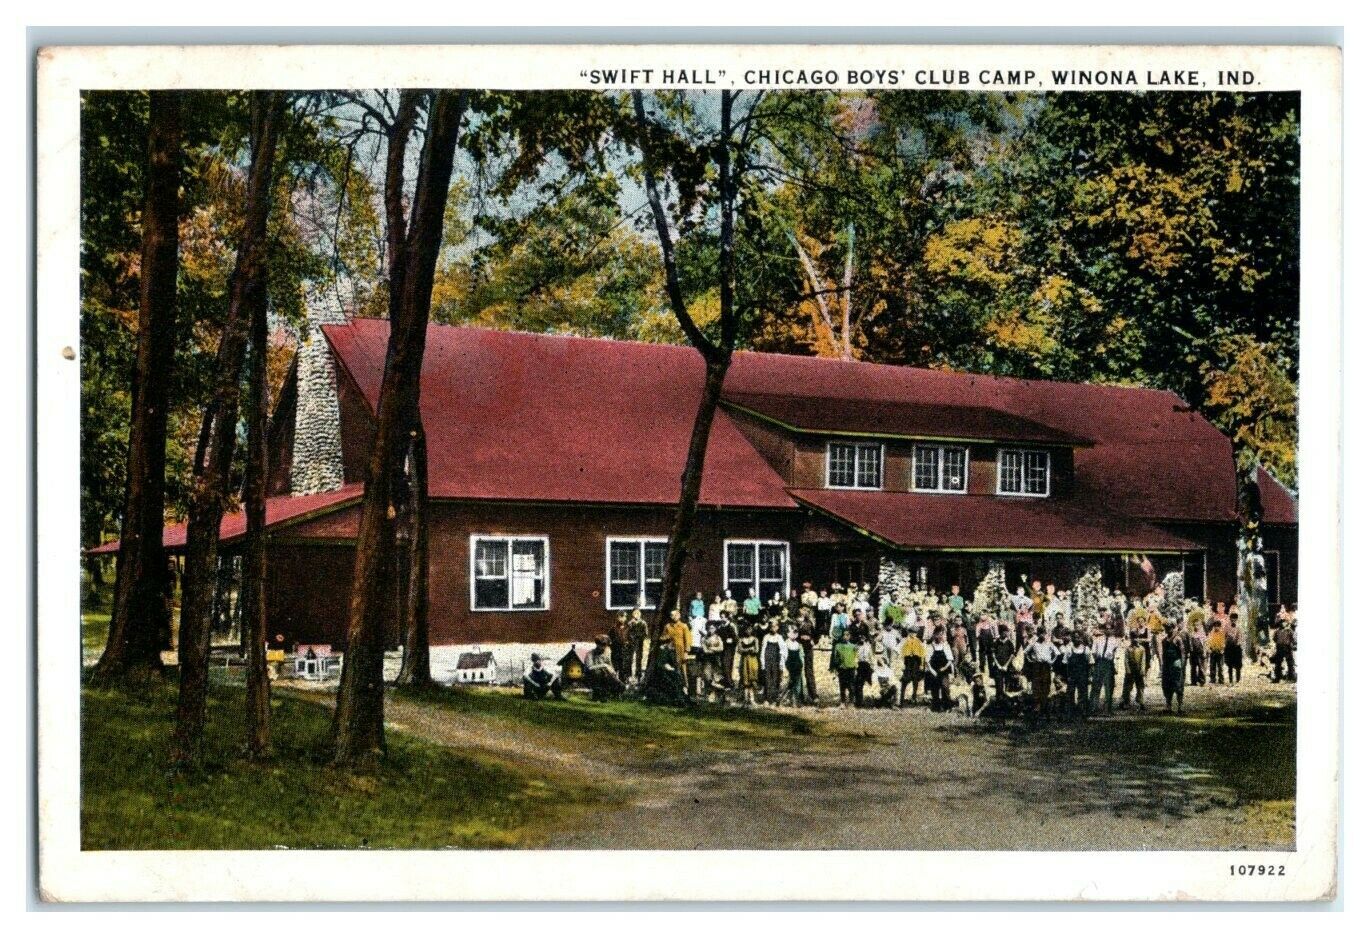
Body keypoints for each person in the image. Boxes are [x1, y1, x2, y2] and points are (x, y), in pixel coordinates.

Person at [1024, 626, 1058, 716]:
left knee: (1046, 685)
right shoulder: (1034, 643)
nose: (1042, 635)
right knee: (1036, 685)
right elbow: (1025, 652)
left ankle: (1044, 706)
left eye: (1044, 633)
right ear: (1038, 634)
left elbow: (1057, 653)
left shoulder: (1049, 643)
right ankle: (1037, 706)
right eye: (1040, 633)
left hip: (1046, 666)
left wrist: (1052, 661)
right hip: (1036, 666)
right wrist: (1030, 660)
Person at [1088, 626, 1119, 717]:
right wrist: (1096, 662)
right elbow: (1093, 652)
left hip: (1108, 663)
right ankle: (1093, 708)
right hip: (1099, 662)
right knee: (1096, 686)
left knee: (1109, 687)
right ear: (1104, 629)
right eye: (1107, 628)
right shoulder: (1098, 639)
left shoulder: (1115, 641)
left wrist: (1115, 666)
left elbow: (1116, 654)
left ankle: (1107, 710)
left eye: (1111, 628)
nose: (1109, 630)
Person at [585, 634, 626, 701]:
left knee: (619, 684)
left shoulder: (607, 653)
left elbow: (610, 665)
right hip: (592, 677)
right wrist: (603, 665)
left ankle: (613, 693)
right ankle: (599, 694)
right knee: (599, 672)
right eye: (603, 645)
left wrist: (613, 673)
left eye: (606, 645)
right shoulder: (590, 654)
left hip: (605, 676)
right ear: (598, 644)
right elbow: (589, 667)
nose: (604, 647)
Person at [663, 609, 693, 695]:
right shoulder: (668, 626)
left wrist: (686, 652)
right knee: (672, 670)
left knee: (683, 671)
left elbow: (688, 640)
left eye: (675, 615)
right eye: (672, 615)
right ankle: (674, 689)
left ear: (679, 616)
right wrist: (667, 638)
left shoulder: (684, 626)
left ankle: (686, 688)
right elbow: (662, 637)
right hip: (671, 652)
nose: (674, 617)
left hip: (681, 651)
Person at [925, 626, 955, 712]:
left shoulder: (946, 645)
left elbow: (950, 660)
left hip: (944, 670)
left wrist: (945, 668)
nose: (940, 636)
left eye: (942, 634)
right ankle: (936, 707)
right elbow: (927, 661)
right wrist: (932, 671)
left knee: (945, 687)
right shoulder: (931, 646)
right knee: (935, 688)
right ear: (935, 635)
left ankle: (947, 706)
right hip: (933, 670)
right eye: (938, 634)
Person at [1160, 623, 1188, 714]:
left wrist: (1182, 665)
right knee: (1167, 686)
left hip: (1176, 664)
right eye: (1166, 628)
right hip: (1167, 665)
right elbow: (1163, 654)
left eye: (1169, 628)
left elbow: (1183, 653)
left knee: (1178, 686)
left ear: (1173, 628)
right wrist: (1163, 666)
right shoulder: (1164, 640)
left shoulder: (1178, 639)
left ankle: (1180, 707)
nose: (1167, 630)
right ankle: (1168, 706)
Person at [1064, 631, 1091, 718]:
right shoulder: (1069, 649)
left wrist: (1089, 675)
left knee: (1083, 694)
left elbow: (1090, 663)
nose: (1077, 639)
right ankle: (1070, 713)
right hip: (1072, 675)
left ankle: (1083, 712)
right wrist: (1067, 676)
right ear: (1072, 639)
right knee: (1070, 694)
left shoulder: (1086, 649)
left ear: (1081, 639)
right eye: (1075, 637)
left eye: (1079, 637)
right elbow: (1065, 663)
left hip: (1082, 675)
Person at [760, 620, 786, 706]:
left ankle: (775, 700)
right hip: (767, 661)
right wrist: (763, 662)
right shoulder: (766, 637)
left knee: (776, 679)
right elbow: (763, 650)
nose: (773, 628)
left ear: (777, 627)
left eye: (775, 626)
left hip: (776, 661)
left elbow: (783, 651)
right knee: (767, 680)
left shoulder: (780, 638)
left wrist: (781, 664)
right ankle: (767, 699)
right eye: (771, 626)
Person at [990, 624, 1018, 701]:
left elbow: (1012, 655)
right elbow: (993, 655)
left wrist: (1006, 665)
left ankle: (1006, 701)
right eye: (1005, 632)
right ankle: (999, 701)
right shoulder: (996, 643)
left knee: (1007, 685)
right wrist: (998, 665)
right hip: (998, 667)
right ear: (1001, 632)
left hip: (1007, 667)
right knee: (999, 686)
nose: (1007, 633)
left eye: (1007, 632)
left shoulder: (1009, 643)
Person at [899, 626, 926, 706]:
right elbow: (902, 653)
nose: (913, 634)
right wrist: (902, 664)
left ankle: (914, 698)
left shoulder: (918, 642)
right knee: (904, 680)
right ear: (909, 633)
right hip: (908, 662)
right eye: (911, 632)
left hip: (916, 662)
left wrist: (921, 665)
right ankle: (901, 700)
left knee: (915, 680)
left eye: (914, 633)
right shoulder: (905, 641)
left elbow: (922, 655)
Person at [781, 627, 808, 706]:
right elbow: (784, 655)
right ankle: (783, 697)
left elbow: (801, 656)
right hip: (790, 665)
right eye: (792, 632)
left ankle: (795, 700)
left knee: (797, 683)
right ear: (788, 634)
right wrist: (784, 666)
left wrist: (801, 664)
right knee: (790, 682)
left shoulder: (798, 644)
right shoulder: (786, 643)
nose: (794, 635)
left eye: (796, 633)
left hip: (797, 665)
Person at [832, 629, 859, 707]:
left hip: (851, 668)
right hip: (842, 669)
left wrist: (856, 667)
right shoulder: (838, 646)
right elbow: (835, 659)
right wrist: (836, 669)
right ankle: (842, 702)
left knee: (851, 686)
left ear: (850, 636)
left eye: (847, 635)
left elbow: (856, 657)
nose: (845, 637)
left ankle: (851, 702)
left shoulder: (853, 646)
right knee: (842, 686)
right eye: (844, 635)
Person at [736, 624, 761, 707]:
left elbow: (756, 650)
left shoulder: (755, 639)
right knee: (745, 680)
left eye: (750, 629)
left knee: (752, 679)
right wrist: (748, 649)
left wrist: (749, 650)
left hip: (753, 660)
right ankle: (746, 699)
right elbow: (739, 650)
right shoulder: (741, 640)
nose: (748, 631)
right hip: (744, 660)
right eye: (747, 629)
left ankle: (752, 699)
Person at [1120, 631, 1146, 710]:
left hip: (1138, 669)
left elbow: (1143, 660)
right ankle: (1126, 701)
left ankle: (1141, 702)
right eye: (1133, 638)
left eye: (1137, 637)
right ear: (1131, 638)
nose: (1135, 639)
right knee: (1127, 687)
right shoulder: (1128, 649)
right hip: (1130, 670)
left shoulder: (1141, 649)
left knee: (1140, 686)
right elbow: (1126, 660)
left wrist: (1142, 669)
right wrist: (1128, 669)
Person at [701, 623, 726, 702]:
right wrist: (713, 649)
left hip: (716, 659)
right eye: (709, 628)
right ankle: (709, 694)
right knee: (707, 676)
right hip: (707, 659)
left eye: (712, 628)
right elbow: (705, 650)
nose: (711, 630)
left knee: (717, 677)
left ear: (715, 629)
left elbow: (721, 648)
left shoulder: (718, 638)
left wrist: (712, 648)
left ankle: (717, 695)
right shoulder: (704, 638)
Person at [717, 611, 739, 688]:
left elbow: (736, 639)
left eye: (723, 617)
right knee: (724, 665)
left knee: (727, 664)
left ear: (727, 617)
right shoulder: (720, 627)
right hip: (722, 648)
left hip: (729, 648)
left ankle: (729, 683)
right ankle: (727, 682)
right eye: (721, 617)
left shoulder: (731, 626)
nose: (722, 618)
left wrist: (731, 640)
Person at [797, 619, 818, 702]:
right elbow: (792, 634)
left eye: (806, 609)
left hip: (808, 648)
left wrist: (813, 640)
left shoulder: (810, 622)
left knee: (809, 671)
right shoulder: (795, 622)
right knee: (797, 671)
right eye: (803, 609)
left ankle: (813, 695)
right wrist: (799, 637)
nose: (804, 611)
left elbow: (816, 634)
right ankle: (798, 695)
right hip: (797, 647)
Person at [626, 608, 649, 680]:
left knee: (639, 658)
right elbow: (627, 632)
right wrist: (631, 637)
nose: (636, 615)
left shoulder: (643, 623)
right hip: (631, 642)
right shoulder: (630, 623)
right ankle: (628, 674)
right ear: (632, 614)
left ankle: (638, 674)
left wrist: (639, 636)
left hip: (639, 642)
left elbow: (645, 633)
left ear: (640, 614)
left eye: (638, 613)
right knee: (630, 658)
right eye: (635, 613)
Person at [1223, 612, 1245, 684]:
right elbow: (1224, 636)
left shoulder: (1239, 626)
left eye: (1234, 620)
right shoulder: (1226, 626)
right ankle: (1230, 680)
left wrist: (1237, 642)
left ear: (1236, 619)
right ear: (1230, 619)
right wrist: (1227, 640)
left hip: (1237, 647)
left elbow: (1241, 637)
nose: (1233, 621)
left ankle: (1238, 680)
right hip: (1229, 647)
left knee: (1238, 665)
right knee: (1229, 664)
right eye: (1232, 620)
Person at [608, 612, 630, 678]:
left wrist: (628, 643)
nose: (622, 619)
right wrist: (612, 645)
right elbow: (609, 638)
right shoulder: (613, 628)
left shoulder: (628, 628)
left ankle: (623, 679)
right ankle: (614, 679)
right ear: (617, 618)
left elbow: (631, 638)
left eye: (623, 617)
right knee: (615, 665)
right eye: (620, 617)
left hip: (624, 650)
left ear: (626, 618)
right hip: (616, 650)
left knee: (623, 666)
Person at [1187, 619, 1207, 686]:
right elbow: (1190, 643)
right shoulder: (1191, 634)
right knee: (1193, 667)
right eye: (1195, 625)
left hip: (1200, 652)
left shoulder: (1202, 634)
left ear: (1200, 626)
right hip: (1193, 653)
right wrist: (1190, 651)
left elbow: (1204, 643)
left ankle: (1202, 681)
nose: (1196, 627)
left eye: (1197, 625)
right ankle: (1193, 681)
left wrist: (1204, 652)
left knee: (1201, 667)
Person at [1207, 619, 1226, 685]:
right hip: (1213, 651)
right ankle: (1212, 679)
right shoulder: (1211, 634)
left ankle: (1221, 679)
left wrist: (1222, 649)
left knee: (1220, 666)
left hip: (1219, 652)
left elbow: (1223, 642)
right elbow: (1209, 642)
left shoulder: (1222, 634)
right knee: (1212, 666)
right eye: (1215, 626)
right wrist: (1209, 649)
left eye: (1218, 626)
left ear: (1220, 626)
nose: (1216, 627)